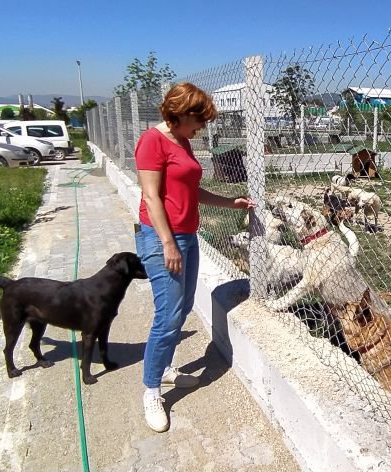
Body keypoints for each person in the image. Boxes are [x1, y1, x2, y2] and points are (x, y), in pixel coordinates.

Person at [133, 82, 254, 432]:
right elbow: (152, 198)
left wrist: (229, 202)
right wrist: (168, 244)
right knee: (168, 315)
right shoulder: (152, 141)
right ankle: (151, 390)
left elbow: (190, 190)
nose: (202, 128)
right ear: (181, 113)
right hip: (161, 239)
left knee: (182, 308)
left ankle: (167, 368)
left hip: (186, 235)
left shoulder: (182, 141)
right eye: (198, 120)